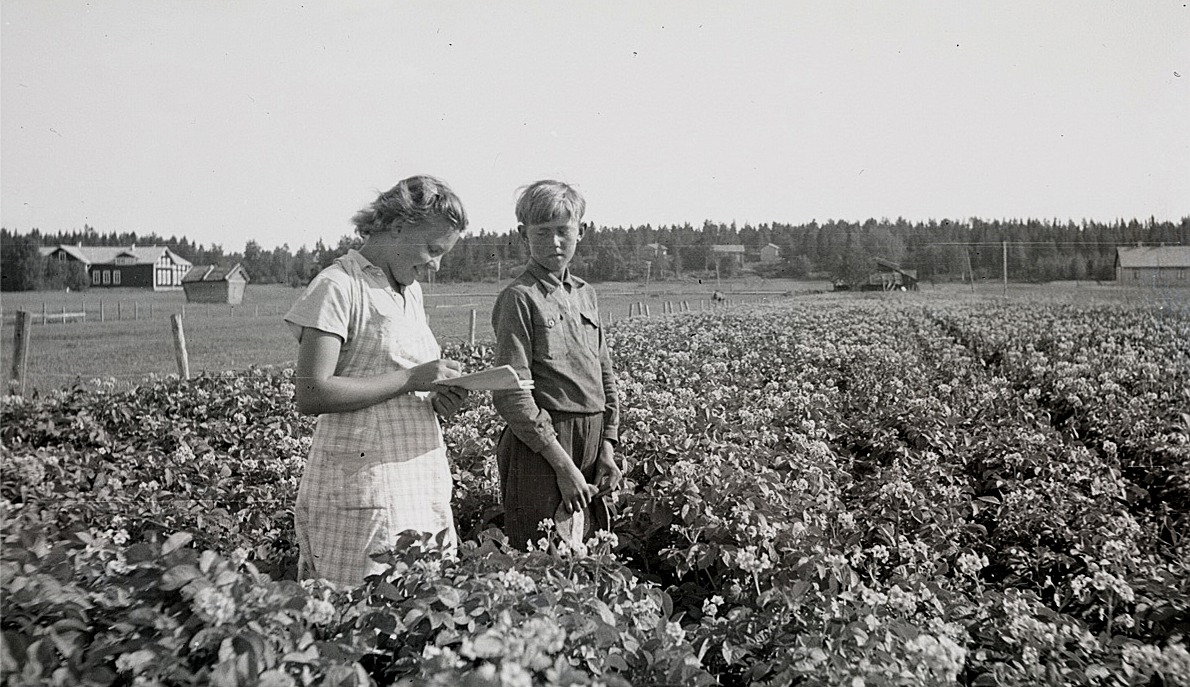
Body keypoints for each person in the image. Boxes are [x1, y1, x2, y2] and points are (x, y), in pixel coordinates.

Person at [284, 175, 470, 585]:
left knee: (420, 604)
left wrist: (439, 396)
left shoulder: (409, 291)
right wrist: (409, 379)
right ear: (399, 226)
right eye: (432, 250)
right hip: (362, 482)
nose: (435, 265)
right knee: (361, 608)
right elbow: (312, 391)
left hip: (415, 475)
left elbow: (404, 379)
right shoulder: (339, 286)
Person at [490, 180, 622, 550]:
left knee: (590, 550)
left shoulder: (585, 294)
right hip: (544, 444)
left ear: (581, 231)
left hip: (592, 439)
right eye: (542, 233)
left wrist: (608, 446)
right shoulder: (519, 298)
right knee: (542, 552)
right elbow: (511, 393)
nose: (554, 243)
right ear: (522, 236)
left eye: (563, 232)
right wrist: (563, 467)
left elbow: (604, 376)